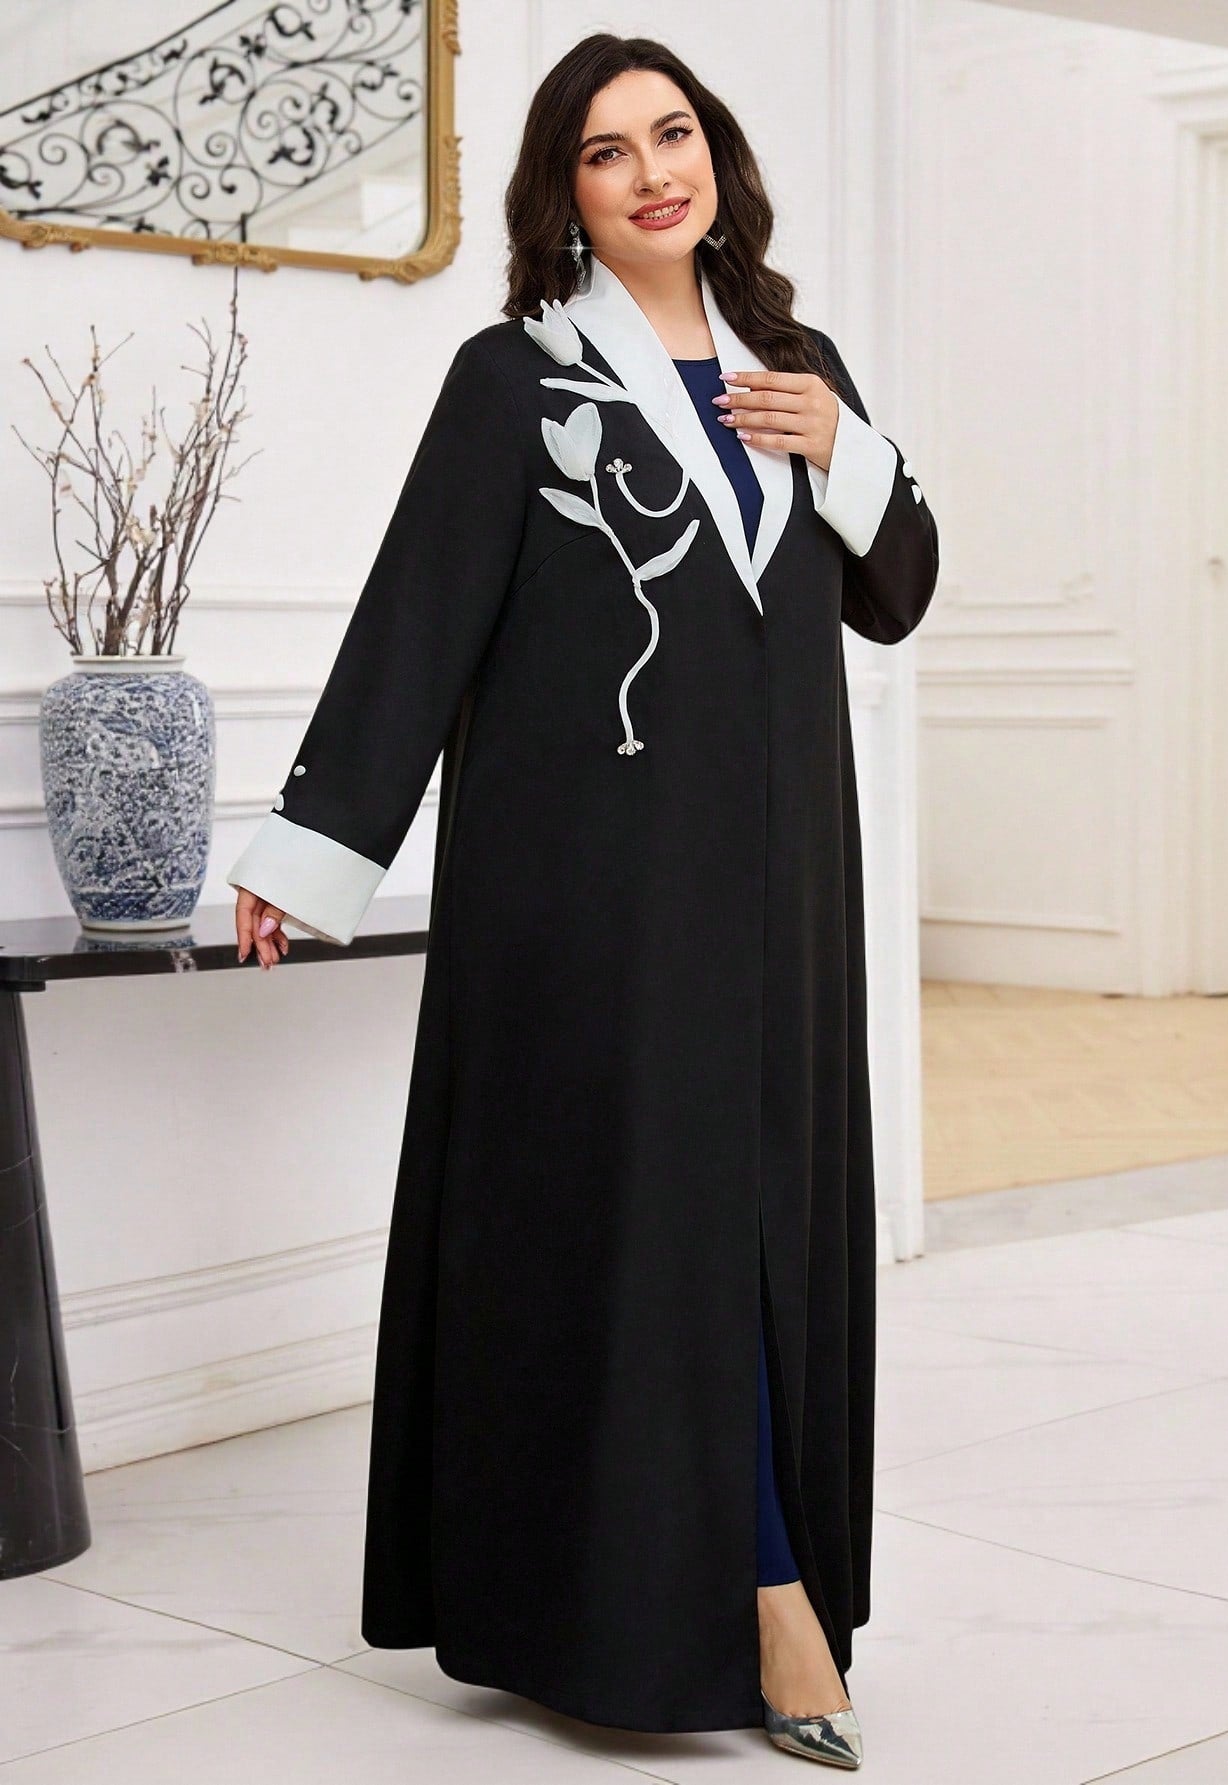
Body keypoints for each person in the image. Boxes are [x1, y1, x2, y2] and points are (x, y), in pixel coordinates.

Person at [228, 31, 938, 1770]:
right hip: (588, 894)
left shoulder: (798, 367)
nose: (650, 173)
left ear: (718, 157)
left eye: (671, 134)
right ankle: (755, 1602)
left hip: (779, 891)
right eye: (607, 152)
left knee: (758, 1224)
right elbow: (423, 613)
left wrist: (848, 451)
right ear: (567, 195)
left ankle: (752, 1581)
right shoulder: (518, 379)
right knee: (641, 1235)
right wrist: (310, 852)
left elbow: (898, 591)